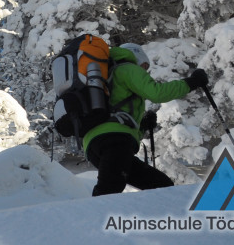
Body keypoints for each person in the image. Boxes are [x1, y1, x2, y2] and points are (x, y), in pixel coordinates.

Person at [83, 43, 208, 196]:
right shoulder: (127, 68)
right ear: (137, 58)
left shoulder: (108, 75)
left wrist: (142, 127)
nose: (144, 71)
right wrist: (192, 82)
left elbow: (115, 117)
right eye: (144, 66)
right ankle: (87, 218)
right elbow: (157, 93)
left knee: (162, 185)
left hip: (96, 143)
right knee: (109, 189)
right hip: (115, 141)